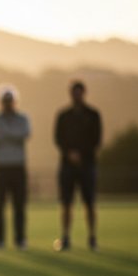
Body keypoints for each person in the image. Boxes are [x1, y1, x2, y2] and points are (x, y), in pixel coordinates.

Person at [53, 80, 102, 251]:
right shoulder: (63, 116)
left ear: (84, 93)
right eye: (74, 93)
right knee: (66, 203)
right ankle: (65, 236)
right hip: (67, 165)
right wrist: (69, 153)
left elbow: (97, 139)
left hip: (87, 165)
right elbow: (58, 139)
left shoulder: (93, 115)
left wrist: (82, 154)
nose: (77, 96)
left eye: (79, 92)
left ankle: (92, 237)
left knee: (90, 203)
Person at [0, 84, 31, 250]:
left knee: (19, 205)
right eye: (4, 101)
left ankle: (20, 239)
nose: (7, 104)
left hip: (17, 166)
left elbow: (24, 135)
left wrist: (7, 134)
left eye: (10, 101)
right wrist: (13, 135)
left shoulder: (23, 119)